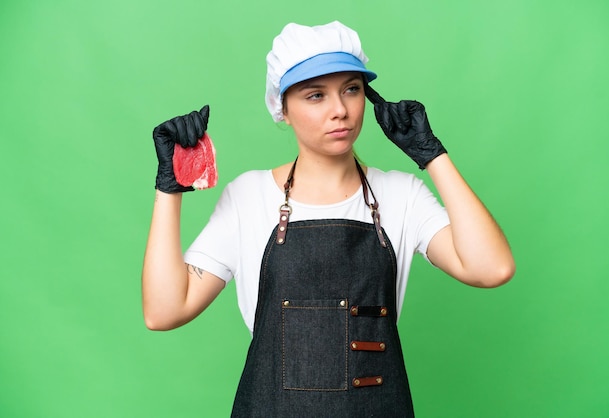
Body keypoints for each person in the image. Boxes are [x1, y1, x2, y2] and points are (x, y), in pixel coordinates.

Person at [142, 20, 515, 417]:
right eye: (315, 95)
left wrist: (432, 156)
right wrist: (169, 189)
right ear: (282, 108)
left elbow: (491, 268)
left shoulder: (401, 195)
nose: (340, 110)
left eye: (351, 89)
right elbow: (164, 311)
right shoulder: (248, 197)